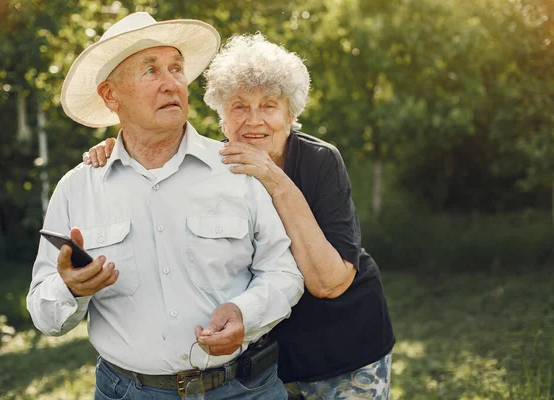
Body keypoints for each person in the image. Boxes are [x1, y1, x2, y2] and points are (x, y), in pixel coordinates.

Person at [85, 33, 396, 399]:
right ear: (222, 115)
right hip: (264, 362)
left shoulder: (319, 161)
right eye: (238, 106)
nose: (254, 120)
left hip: (344, 348)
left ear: (290, 114)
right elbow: (155, 158)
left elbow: (330, 282)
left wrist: (276, 180)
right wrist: (121, 147)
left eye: (268, 106)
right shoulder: (214, 165)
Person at [27, 14, 305, 400]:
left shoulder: (238, 169)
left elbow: (283, 271)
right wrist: (70, 289)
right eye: (150, 70)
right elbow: (44, 314)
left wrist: (246, 313)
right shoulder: (77, 189)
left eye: (176, 68)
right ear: (111, 96)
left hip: (245, 388)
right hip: (128, 392)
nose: (172, 82)